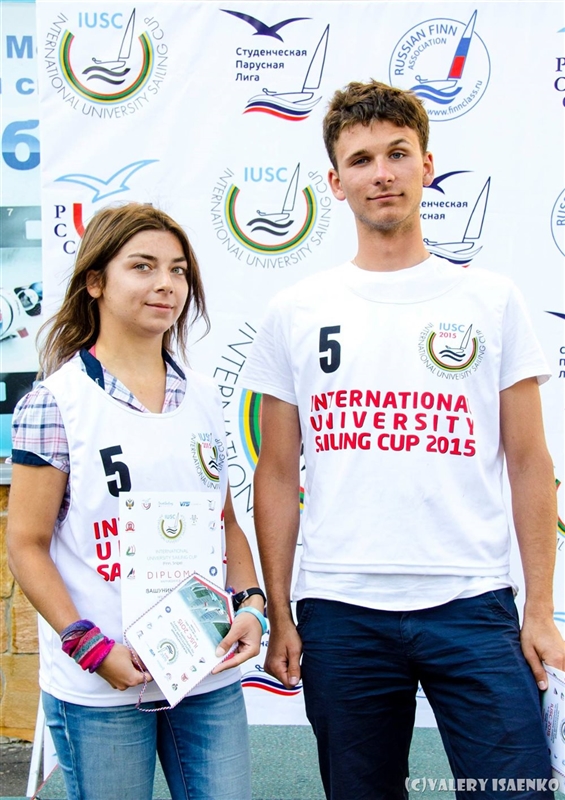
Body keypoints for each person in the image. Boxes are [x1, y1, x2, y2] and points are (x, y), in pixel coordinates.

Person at [242, 81, 565, 799]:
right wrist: (281, 611)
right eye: (360, 160)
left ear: (426, 166)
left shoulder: (491, 300)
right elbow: (277, 472)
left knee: (514, 789)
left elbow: (529, 463)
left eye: (397, 153)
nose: (381, 173)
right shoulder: (296, 310)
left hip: (473, 602)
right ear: (335, 182)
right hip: (340, 610)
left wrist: (540, 610)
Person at [7, 203, 267, 800]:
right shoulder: (56, 403)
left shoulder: (203, 396)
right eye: (143, 266)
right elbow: (25, 544)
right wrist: (90, 647)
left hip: (204, 673)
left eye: (178, 270)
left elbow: (225, 522)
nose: (166, 284)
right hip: (102, 685)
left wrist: (252, 606)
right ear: (95, 282)